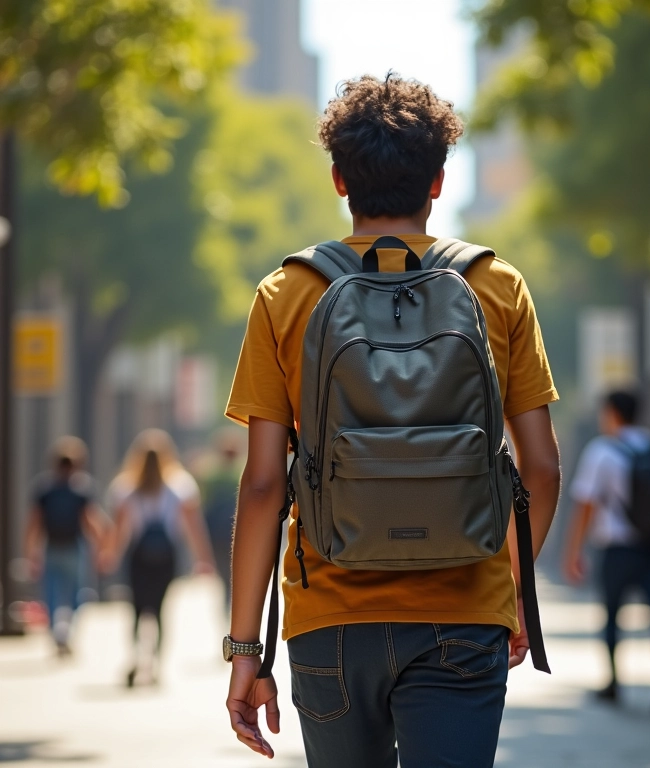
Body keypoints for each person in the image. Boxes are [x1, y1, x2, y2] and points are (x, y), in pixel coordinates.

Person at [224, 73, 561, 766]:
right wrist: (512, 592)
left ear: (340, 180)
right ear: (438, 181)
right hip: (465, 610)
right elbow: (543, 468)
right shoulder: (496, 287)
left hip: (329, 614)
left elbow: (262, 486)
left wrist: (244, 652)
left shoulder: (286, 292)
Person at [563, 390, 650, 712]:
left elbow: (585, 506)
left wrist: (574, 551)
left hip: (618, 550)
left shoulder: (603, 451)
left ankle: (614, 684)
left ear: (613, 413)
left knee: (612, 616)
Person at [102, 429, 215, 686]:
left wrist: (110, 554)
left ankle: (135, 656)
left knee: (136, 609)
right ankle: (156, 664)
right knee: (161, 610)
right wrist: (203, 558)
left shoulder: (125, 488)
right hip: (166, 558)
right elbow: (193, 528)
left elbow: (119, 530)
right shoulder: (180, 487)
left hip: (138, 558)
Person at [24, 436, 108, 656]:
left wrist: (30, 552)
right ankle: (67, 630)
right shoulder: (82, 488)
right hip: (74, 547)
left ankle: (57, 633)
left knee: (51, 593)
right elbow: (91, 520)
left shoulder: (44, 488)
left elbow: (34, 523)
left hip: (52, 546)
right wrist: (102, 548)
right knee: (77, 594)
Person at [198, 429, 244, 611]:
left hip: (215, 531)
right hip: (236, 529)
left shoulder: (209, 474)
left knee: (223, 568)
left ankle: (226, 596)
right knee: (236, 566)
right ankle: (233, 598)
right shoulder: (241, 473)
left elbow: (204, 503)